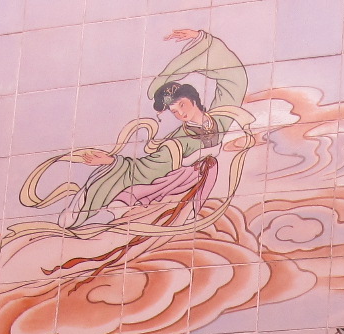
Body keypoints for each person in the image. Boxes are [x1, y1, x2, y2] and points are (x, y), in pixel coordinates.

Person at [60, 28, 248, 228]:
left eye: (182, 105)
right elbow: (146, 169)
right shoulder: (178, 142)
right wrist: (112, 161)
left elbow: (235, 80)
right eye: (174, 111)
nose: (180, 113)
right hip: (177, 188)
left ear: (194, 99)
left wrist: (200, 39)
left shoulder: (219, 118)